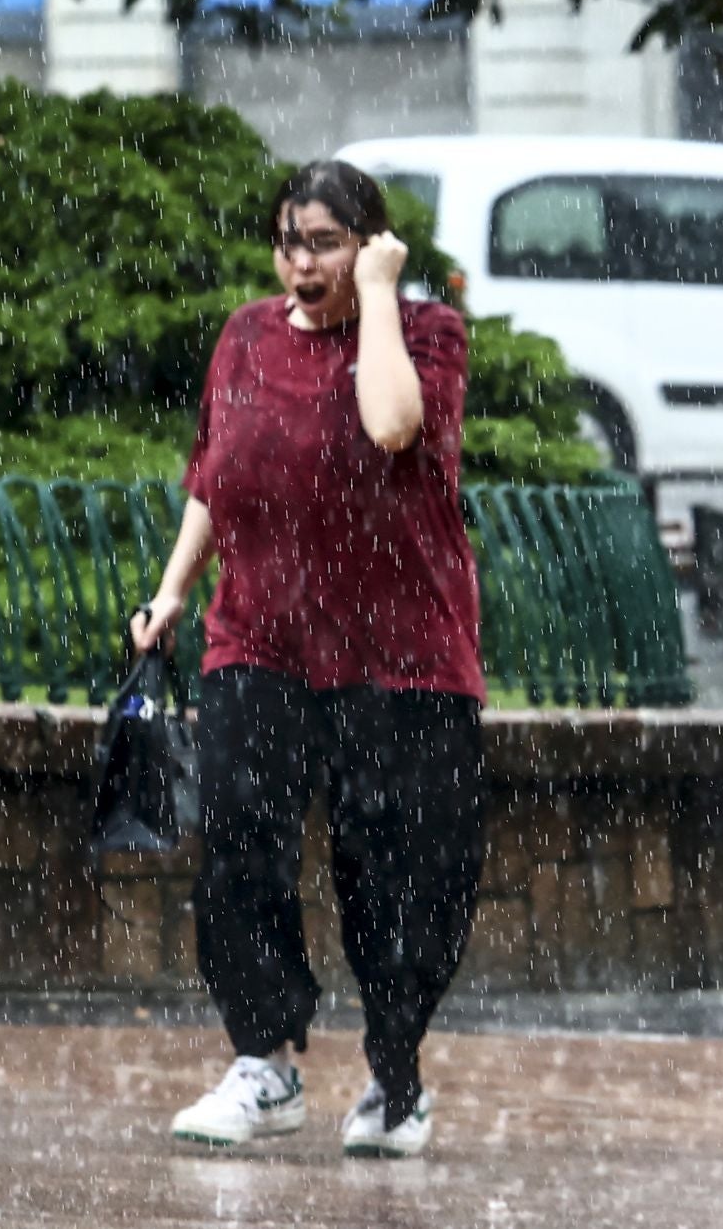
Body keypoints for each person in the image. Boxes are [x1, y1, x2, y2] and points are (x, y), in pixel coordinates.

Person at [131, 160, 486, 1158]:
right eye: (290, 240)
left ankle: (394, 1080)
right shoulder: (244, 334)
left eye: (327, 241)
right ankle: (264, 1061)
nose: (301, 261)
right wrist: (172, 591)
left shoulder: (424, 335)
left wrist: (376, 293)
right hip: (261, 637)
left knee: (394, 871)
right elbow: (215, 472)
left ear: (372, 243)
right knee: (239, 848)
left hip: (397, 651)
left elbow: (391, 424)